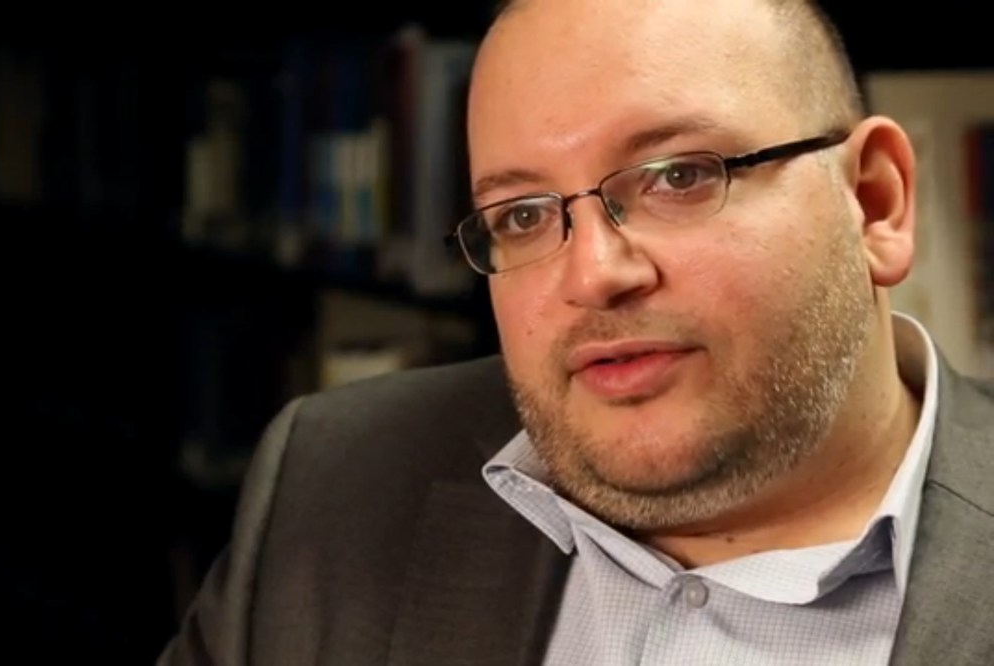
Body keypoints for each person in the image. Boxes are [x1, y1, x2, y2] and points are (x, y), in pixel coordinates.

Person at [158, 0, 994, 663]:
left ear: (875, 203)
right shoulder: (337, 480)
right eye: (521, 214)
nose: (593, 274)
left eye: (680, 176)